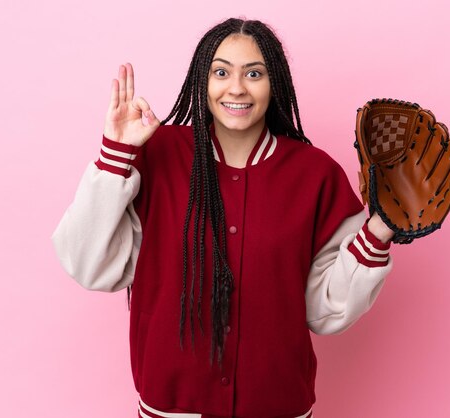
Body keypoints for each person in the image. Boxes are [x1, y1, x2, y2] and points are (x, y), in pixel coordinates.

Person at [52, 17, 394, 418]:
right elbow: (89, 265)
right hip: (171, 406)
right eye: (221, 72)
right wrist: (116, 155)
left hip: (277, 406)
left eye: (254, 73)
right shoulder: (156, 154)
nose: (236, 88)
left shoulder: (316, 174)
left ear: (275, 84)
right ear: (203, 80)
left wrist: (381, 227)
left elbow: (323, 308)